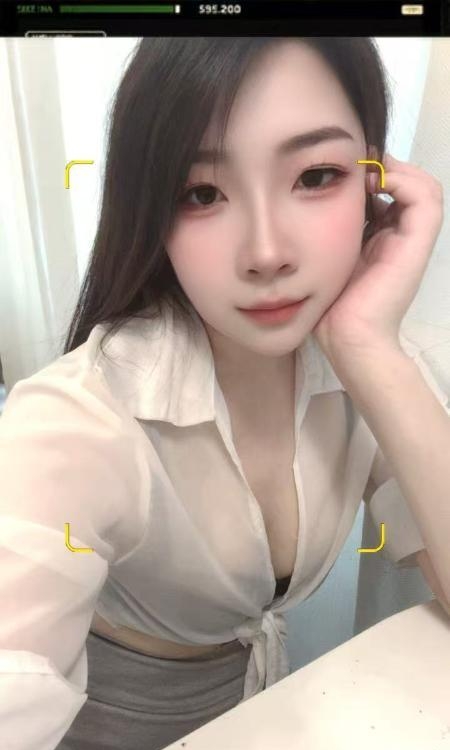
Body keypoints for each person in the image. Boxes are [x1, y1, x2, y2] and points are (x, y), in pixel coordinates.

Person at [0, 37, 437, 750]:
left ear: (375, 182)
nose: (266, 253)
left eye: (316, 175)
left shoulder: (361, 362)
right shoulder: (80, 417)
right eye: (202, 193)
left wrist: (370, 351)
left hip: (265, 714)